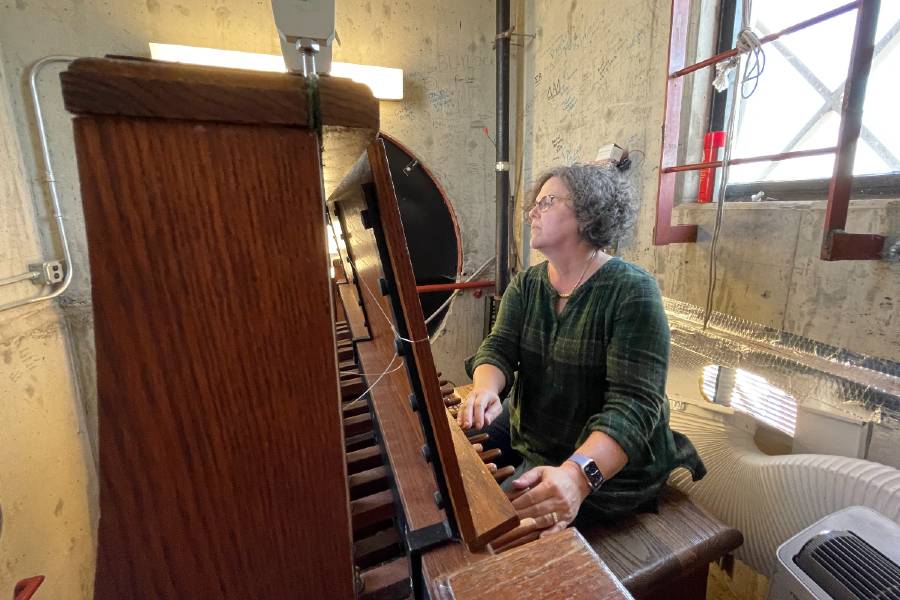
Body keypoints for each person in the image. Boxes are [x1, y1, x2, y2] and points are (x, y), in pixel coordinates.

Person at [458, 162, 705, 536]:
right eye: (534, 204)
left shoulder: (633, 290)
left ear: (588, 213)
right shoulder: (527, 283)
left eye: (547, 201)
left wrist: (577, 477)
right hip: (536, 429)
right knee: (451, 465)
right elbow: (499, 347)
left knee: (490, 528)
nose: (532, 213)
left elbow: (635, 407)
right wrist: (486, 389)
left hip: (608, 464)